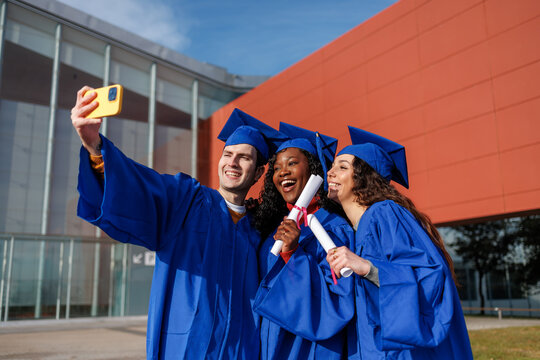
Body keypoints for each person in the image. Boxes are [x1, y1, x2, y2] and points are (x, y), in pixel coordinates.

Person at [71, 85, 288, 359]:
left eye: (244, 157)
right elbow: (141, 186)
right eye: (228, 154)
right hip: (185, 348)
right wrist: (94, 146)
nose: (232, 162)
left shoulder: (260, 232)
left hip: (241, 350)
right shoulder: (187, 201)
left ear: (257, 173)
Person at [326, 126, 473, 359]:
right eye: (332, 166)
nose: (330, 172)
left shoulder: (384, 213)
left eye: (342, 167)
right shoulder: (357, 228)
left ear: (365, 177)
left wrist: (369, 268)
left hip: (401, 350)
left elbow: (430, 276)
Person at [252, 122, 356, 359]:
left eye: (292, 163)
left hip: (308, 347)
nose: (283, 172)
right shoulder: (275, 228)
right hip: (269, 343)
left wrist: (293, 254)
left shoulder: (334, 228)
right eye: (276, 168)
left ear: (314, 170)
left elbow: (338, 300)